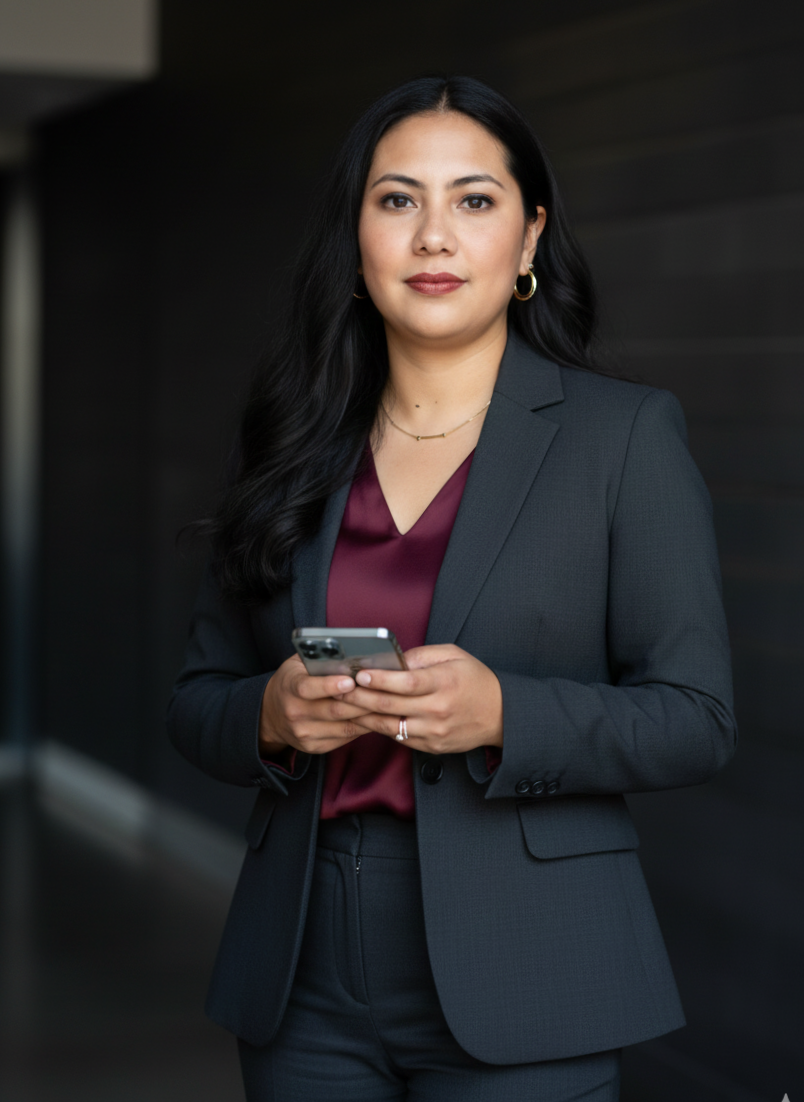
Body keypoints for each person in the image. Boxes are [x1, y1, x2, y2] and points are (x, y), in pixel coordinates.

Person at [168, 75, 736, 1102]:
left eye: (474, 199)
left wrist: (503, 713)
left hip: (531, 962)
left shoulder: (623, 438)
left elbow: (697, 719)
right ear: (355, 240)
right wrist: (271, 715)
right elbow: (195, 702)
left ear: (528, 238)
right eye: (398, 199)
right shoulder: (291, 440)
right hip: (302, 971)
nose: (434, 234)